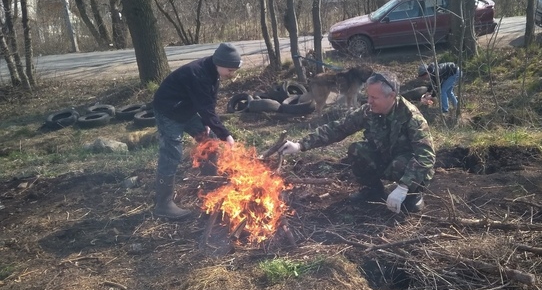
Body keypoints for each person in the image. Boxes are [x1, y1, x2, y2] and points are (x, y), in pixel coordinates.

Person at [278, 71, 436, 214]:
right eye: (368, 96)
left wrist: (403, 186)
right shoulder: (369, 111)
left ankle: (413, 195)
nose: (369, 101)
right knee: (357, 150)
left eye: (374, 98)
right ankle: (373, 190)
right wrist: (300, 145)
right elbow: (338, 128)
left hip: (407, 166)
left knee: (403, 170)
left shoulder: (412, 118)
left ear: (392, 96)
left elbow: (426, 156)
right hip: (386, 158)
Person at [152, 43, 242, 220]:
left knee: (209, 141)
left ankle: (211, 184)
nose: (232, 74)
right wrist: (227, 135)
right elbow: (205, 107)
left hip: (187, 109)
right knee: (172, 153)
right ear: (219, 62)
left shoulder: (213, 72)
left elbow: (210, 102)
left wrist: (208, 123)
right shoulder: (198, 73)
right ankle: (163, 204)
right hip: (169, 111)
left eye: (234, 70)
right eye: (230, 70)